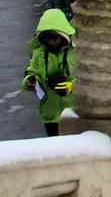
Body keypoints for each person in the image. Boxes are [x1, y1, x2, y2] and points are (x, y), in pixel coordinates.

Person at [23, 8, 76, 136]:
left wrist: (72, 87)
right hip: (50, 113)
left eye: (54, 38)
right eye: (47, 39)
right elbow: (32, 71)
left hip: (73, 111)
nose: (51, 42)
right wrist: (30, 80)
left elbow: (87, 78)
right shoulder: (39, 53)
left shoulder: (76, 52)